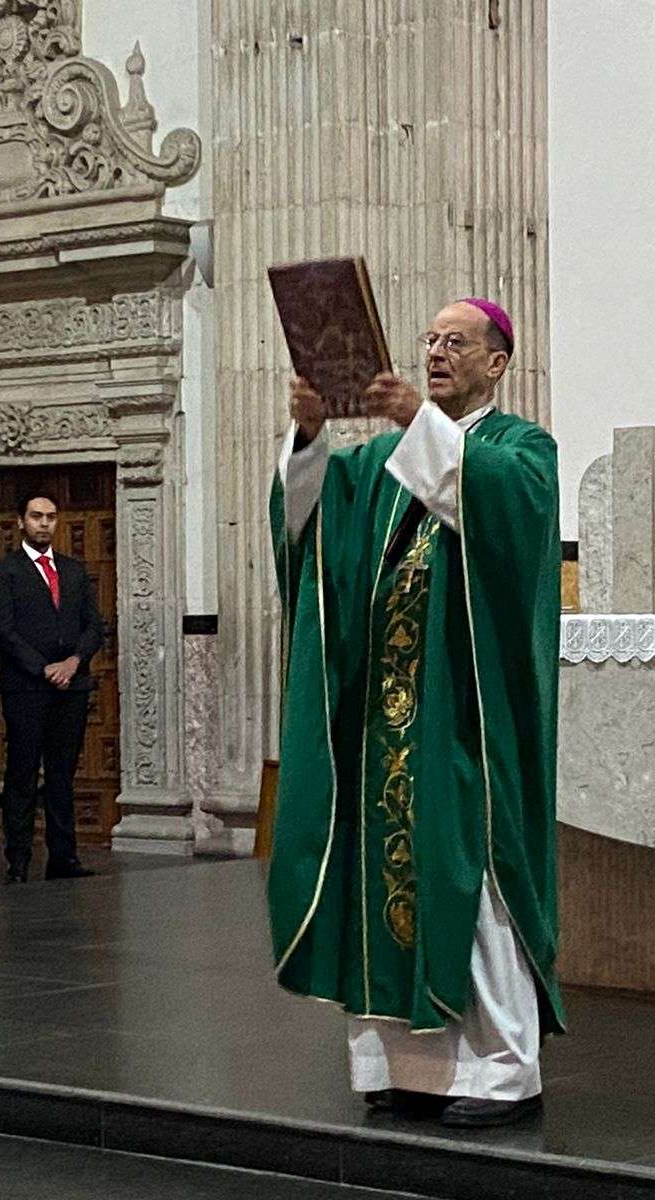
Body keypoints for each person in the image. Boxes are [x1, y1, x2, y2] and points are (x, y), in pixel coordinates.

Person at [268, 298, 565, 1128]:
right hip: (384, 724)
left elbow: (508, 515)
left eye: (455, 342)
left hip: (465, 720)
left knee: (471, 881)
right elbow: (310, 528)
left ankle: (500, 1074)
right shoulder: (380, 461)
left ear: (496, 363)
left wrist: (415, 422)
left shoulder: (522, 450)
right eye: (429, 340)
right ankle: (400, 1069)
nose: (436, 352)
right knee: (380, 883)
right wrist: (311, 436)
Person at [0, 492, 104, 883]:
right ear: (21, 521)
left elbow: (94, 626)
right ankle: (17, 860)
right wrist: (43, 667)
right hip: (26, 687)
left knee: (62, 775)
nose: (44, 523)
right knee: (22, 773)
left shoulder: (73, 570)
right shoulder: (3, 571)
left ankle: (63, 857)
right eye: (36, 516)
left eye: (51, 516)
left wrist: (73, 662)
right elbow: (4, 630)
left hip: (72, 685)